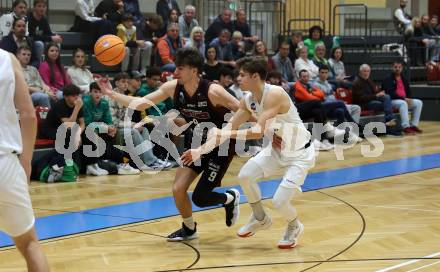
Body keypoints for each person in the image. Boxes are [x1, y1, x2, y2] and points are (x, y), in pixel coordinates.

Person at [97, 47, 241, 241]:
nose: (175, 72)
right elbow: (140, 104)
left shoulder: (213, 91)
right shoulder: (173, 88)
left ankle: (230, 198)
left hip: (221, 145)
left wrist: (266, 128)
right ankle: (189, 229)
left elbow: (243, 109)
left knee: (200, 198)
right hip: (197, 141)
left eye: (180, 68)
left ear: (194, 70)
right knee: (177, 189)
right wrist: (110, 93)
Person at [181, 56, 315, 249]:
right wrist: (199, 151)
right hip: (277, 150)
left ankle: (294, 226)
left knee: (279, 201)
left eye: (242, 75)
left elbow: (257, 132)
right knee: (245, 175)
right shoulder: (248, 100)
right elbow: (226, 131)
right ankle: (260, 218)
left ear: (255, 76)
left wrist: (224, 132)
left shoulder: (275, 94)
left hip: (300, 154)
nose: (238, 78)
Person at [0, 48, 50, 271]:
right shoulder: (7, 59)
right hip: (5, 163)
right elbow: (29, 115)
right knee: (29, 243)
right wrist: (26, 161)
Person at [110, 72, 173, 170]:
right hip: (113, 130)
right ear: (116, 83)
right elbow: (113, 121)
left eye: (127, 82)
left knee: (144, 130)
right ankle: (150, 162)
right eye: (123, 82)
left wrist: (135, 124)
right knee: (134, 131)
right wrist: (132, 125)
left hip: (124, 126)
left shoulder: (126, 97)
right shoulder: (111, 97)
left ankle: (152, 160)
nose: (126, 84)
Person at [82, 82, 140, 175]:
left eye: (100, 92)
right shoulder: (86, 103)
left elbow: (108, 120)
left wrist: (111, 128)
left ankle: (121, 164)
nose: (98, 94)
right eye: (95, 92)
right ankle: (93, 165)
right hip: (86, 129)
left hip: (100, 128)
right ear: (90, 92)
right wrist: (105, 128)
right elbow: (87, 122)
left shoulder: (104, 103)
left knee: (113, 134)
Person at [352, 64, 401, 136]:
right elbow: (362, 98)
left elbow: (375, 90)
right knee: (386, 104)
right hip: (364, 104)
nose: (366, 73)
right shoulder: (357, 82)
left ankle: (389, 120)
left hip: (372, 100)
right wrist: (376, 95)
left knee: (386, 97)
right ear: (360, 72)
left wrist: (380, 93)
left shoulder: (368, 80)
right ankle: (390, 123)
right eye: (364, 71)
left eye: (368, 71)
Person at [382, 61, 423, 135]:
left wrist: (409, 98)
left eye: (399, 67)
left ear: (402, 68)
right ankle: (406, 127)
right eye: (395, 67)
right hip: (391, 101)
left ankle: (413, 125)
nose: (397, 69)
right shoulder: (387, 79)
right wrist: (404, 99)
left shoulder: (403, 78)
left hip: (403, 99)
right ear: (392, 68)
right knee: (403, 103)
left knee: (419, 102)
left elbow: (408, 91)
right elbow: (390, 93)